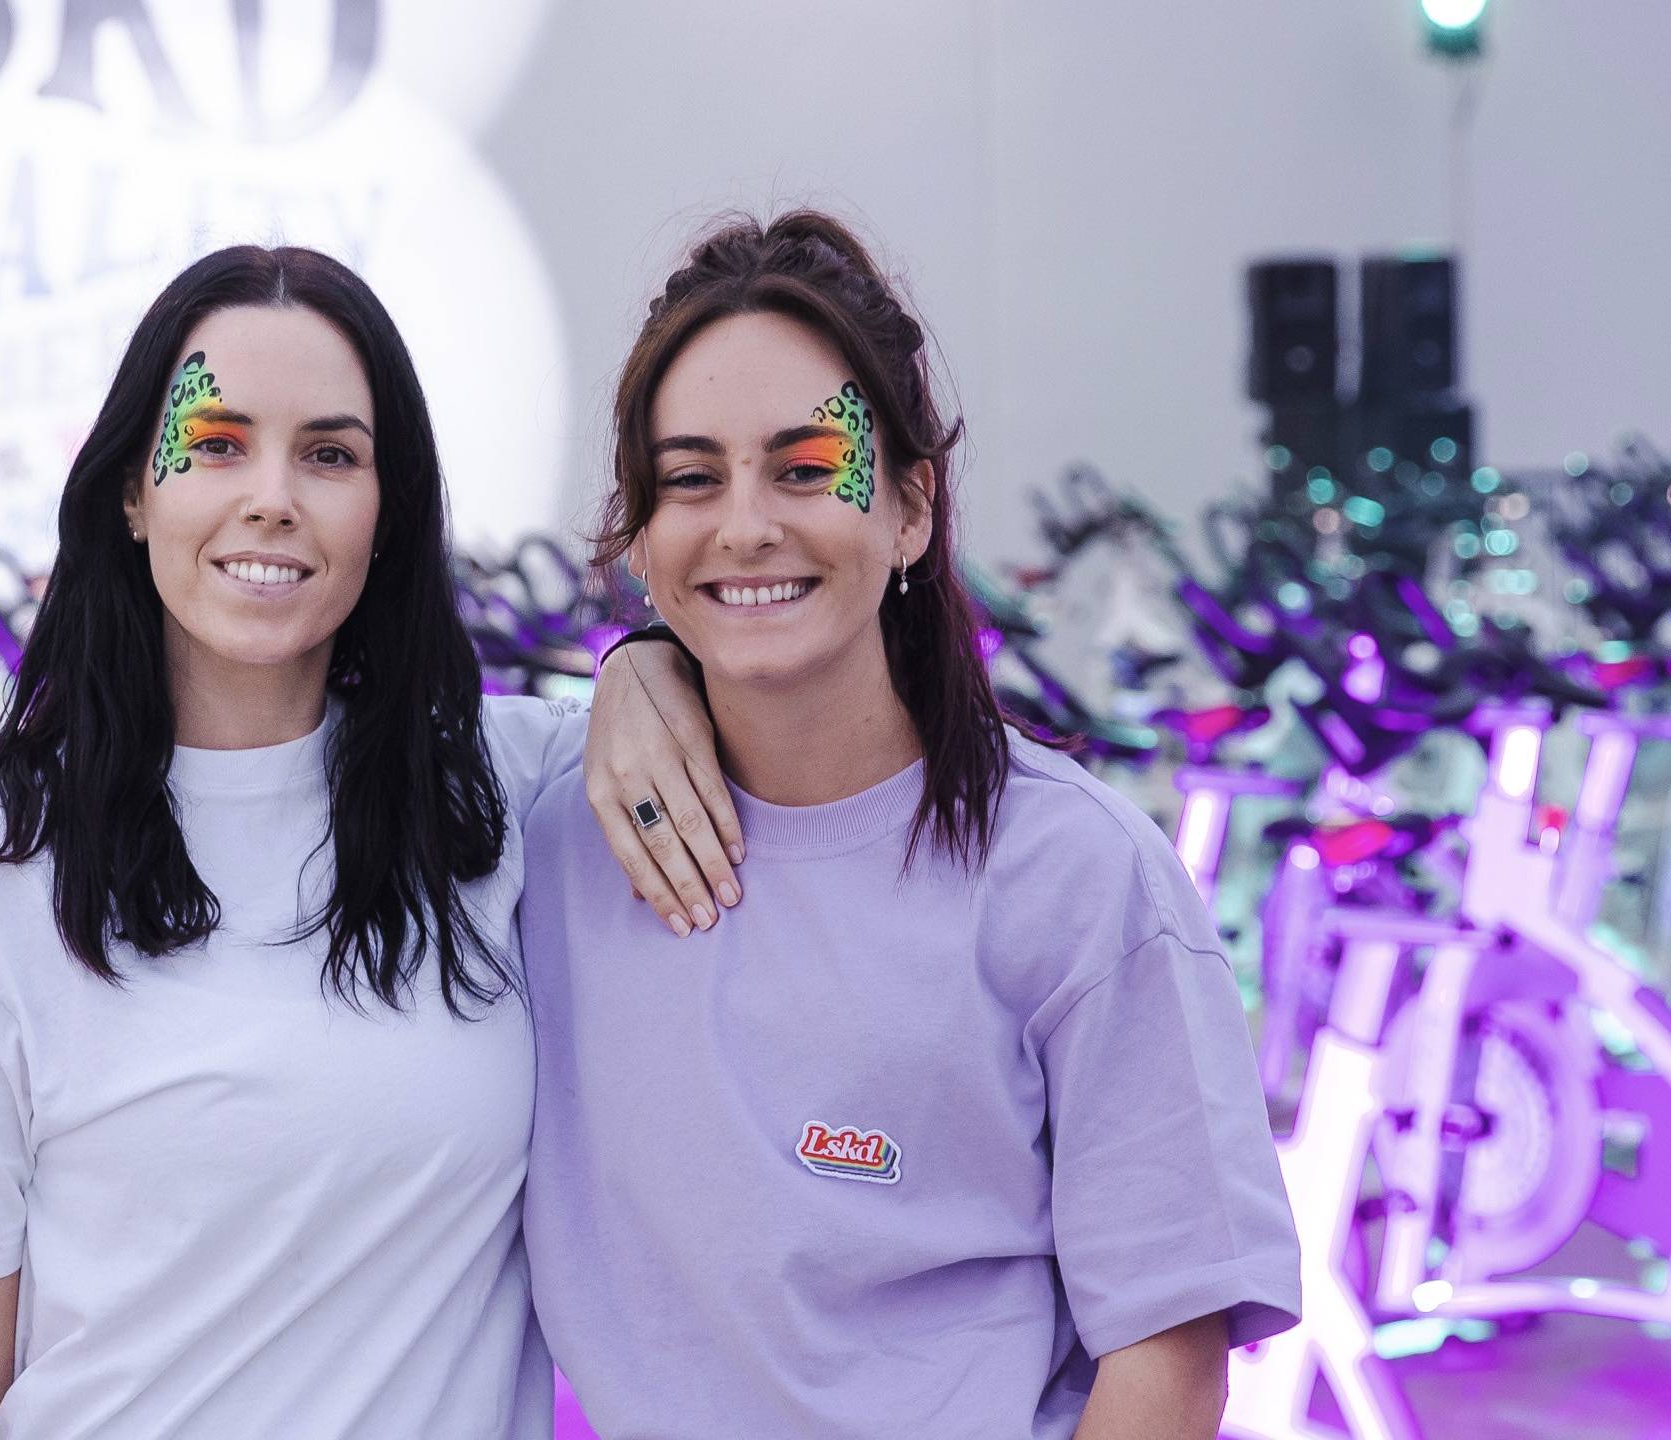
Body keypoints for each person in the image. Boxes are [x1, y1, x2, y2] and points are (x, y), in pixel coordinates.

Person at [0, 243, 738, 1440]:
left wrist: (650, 664)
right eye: (215, 445)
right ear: (132, 489)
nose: (273, 495)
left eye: (329, 454)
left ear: (386, 508)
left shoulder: (502, 799)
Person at [520, 211, 1302, 1439]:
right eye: (689, 479)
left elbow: (1166, 1357)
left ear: (913, 508)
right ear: (642, 531)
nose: (743, 526)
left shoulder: (1076, 878)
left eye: (803, 468)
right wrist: (636, 669)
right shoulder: (555, 839)